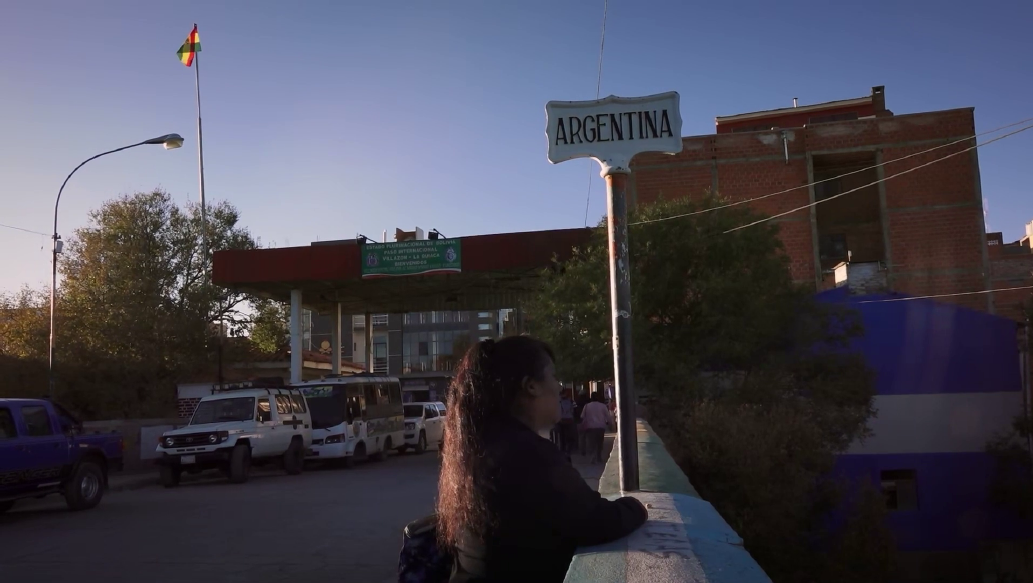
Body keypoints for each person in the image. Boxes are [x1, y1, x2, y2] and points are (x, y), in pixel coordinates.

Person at [437, 336, 648, 582]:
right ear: (531, 386)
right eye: (553, 376)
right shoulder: (527, 454)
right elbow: (597, 521)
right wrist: (638, 507)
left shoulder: (481, 447)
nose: (559, 387)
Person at [579, 392, 611, 464]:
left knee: (591, 443)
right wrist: (610, 424)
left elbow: (582, 416)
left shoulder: (587, 406)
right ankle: (599, 456)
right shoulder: (603, 406)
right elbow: (608, 417)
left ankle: (592, 456)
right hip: (601, 426)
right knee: (599, 442)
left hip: (590, 427)